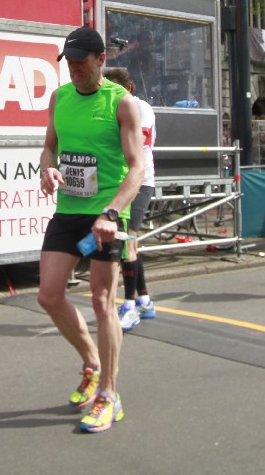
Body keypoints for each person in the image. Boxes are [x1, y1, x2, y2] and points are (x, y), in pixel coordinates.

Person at [37, 26, 144, 433]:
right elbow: (49, 146)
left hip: (106, 213)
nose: (74, 68)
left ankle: (109, 395)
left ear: (101, 60)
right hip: (69, 210)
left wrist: (112, 213)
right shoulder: (59, 98)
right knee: (49, 295)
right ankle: (92, 363)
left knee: (102, 300)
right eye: (69, 61)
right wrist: (47, 167)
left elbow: (137, 168)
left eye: (81, 61)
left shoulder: (122, 103)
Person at [103, 67, 158, 332]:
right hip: (120, 181)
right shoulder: (111, 107)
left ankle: (129, 305)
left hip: (140, 180)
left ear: (128, 89)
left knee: (128, 241)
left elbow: (139, 140)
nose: (111, 94)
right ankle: (144, 300)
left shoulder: (140, 107)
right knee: (130, 242)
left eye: (116, 89)